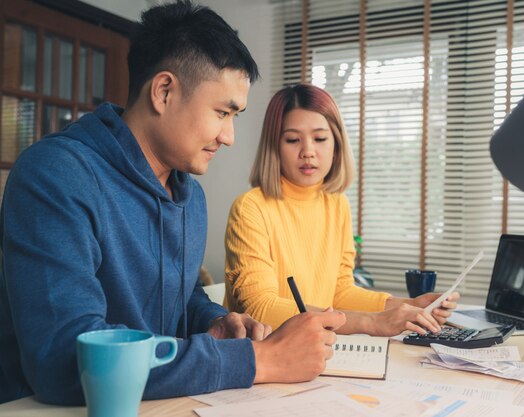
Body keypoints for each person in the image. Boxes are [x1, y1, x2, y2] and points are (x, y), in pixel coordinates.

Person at [0, 1, 345, 406]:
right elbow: (65, 360)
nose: (229, 136)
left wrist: (214, 320)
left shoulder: (188, 195)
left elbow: (176, 301)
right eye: (222, 112)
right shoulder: (56, 175)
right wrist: (259, 361)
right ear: (164, 91)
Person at [224, 83, 459, 335]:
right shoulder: (250, 208)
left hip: (317, 347)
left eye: (320, 138)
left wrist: (406, 305)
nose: (308, 152)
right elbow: (260, 308)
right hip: (264, 351)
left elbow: (340, 291)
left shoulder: (336, 203)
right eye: (293, 140)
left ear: (336, 144)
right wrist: (372, 322)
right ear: (274, 147)